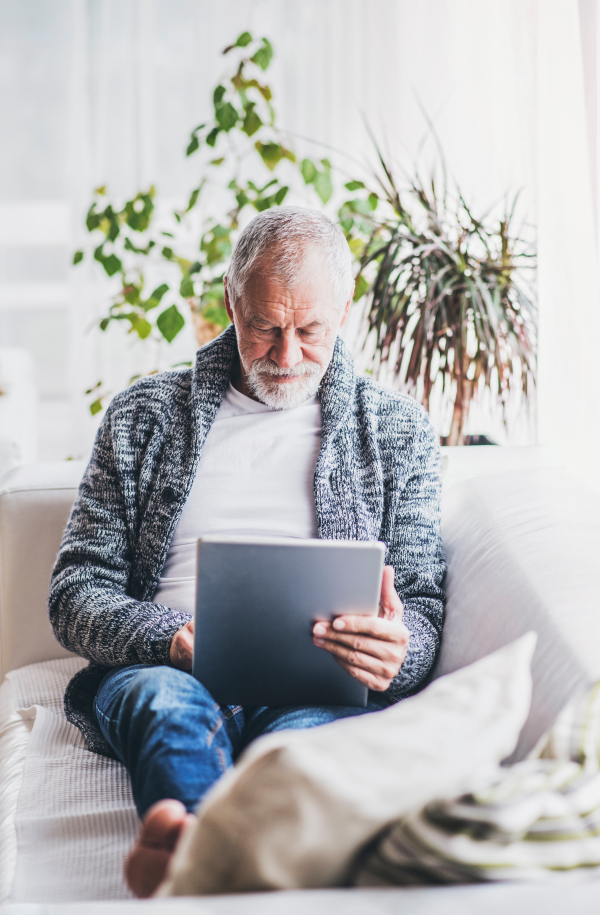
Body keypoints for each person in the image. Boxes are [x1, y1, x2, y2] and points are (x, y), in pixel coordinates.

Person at [49, 206, 446, 897]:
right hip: (168, 667)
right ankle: (190, 836)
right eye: (264, 326)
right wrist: (169, 637)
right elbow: (75, 590)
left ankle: (195, 856)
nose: (286, 355)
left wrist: (397, 654)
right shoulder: (142, 417)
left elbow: (421, 602)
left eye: (309, 330)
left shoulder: (398, 433)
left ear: (343, 311)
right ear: (230, 302)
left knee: (301, 752)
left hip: (319, 684)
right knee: (169, 712)